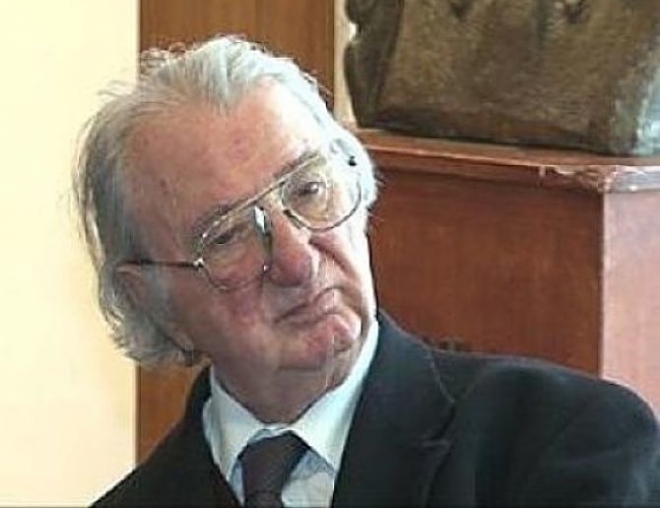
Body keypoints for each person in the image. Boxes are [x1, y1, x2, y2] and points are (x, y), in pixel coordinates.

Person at [75, 36, 659, 506]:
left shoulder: (564, 444)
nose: (298, 261)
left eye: (309, 190)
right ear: (154, 300)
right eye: (227, 236)